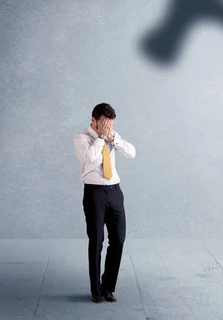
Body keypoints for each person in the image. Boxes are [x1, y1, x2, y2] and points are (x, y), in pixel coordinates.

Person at [73, 103, 136, 303]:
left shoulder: (111, 134)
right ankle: (96, 290)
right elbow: (90, 159)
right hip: (94, 193)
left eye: (110, 124)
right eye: (104, 124)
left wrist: (112, 138)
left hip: (115, 191)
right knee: (96, 241)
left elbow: (131, 153)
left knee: (118, 240)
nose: (108, 128)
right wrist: (100, 137)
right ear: (93, 120)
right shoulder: (82, 137)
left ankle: (108, 287)